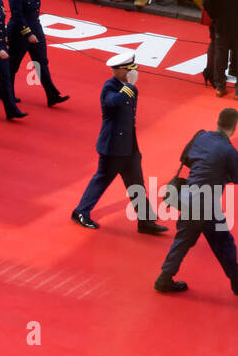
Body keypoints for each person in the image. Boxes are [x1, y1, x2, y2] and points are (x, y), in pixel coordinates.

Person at [154, 108, 238, 295]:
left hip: (189, 198)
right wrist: (222, 174)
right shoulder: (229, 151)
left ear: (217, 121)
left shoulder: (201, 137)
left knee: (183, 239)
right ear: (234, 127)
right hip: (207, 205)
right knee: (224, 242)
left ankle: (164, 277)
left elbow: (186, 159)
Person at [70, 51, 166, 234]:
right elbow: (114, 102)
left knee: (136, 184)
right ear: (119, 71)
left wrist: (130, 87)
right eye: (130, 69)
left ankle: (145, 221)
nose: (134, 72)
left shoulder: (130, 88)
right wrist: (129, 86)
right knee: (102, 180)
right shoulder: (110, 87)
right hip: (112, 147)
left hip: (129, 147)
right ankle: (80, 212)